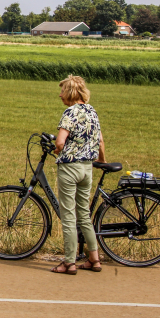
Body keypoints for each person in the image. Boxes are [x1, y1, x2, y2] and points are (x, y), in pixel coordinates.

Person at [51, 75, 105, 275]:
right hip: (87, 169)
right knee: (84, 214)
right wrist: (102, 160)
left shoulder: (70, 113)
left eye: (63, 90)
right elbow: (100, 141)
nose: (60, 94)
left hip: (70, 168)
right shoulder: (92, 112)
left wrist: (57, 151)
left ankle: (69, 262)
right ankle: (94, 258)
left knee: (68, 215)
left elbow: (60, 142)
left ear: (71, 93)